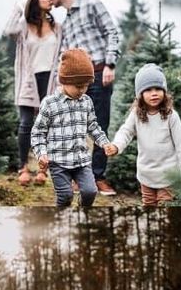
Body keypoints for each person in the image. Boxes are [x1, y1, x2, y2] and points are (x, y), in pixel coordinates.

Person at [51, 0, 121, 193]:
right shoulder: (66, 22)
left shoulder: (92, 5)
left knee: (100, 125)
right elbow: (65, 56)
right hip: (75, 83)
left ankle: (98, 177)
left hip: (100, 73)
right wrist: (59, 79)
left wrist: (110, 63)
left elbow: (112, 33)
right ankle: (76, 178)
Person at [31, 48, 117, 210]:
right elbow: (38, 132)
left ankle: (82, 215)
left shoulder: (86, 102)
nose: (82, 90)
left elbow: (93, 126)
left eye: (86, 86)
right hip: (58, 161)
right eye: (78, 86)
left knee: (90, 192)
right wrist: (41, 153)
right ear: (63, 81)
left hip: (81, 161)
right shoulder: (50, 103)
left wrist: (105, 143)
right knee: (65, 195)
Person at [3, 0, 63, 186]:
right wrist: (21, 6)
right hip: (29, 79)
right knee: (26, 124)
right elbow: (8, 30)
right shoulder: (24, 26)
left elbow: (62, 53)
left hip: (50, 81)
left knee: (46, 126)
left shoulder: (57, 27)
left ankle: (43, 169)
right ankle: (23, 167)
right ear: (35, 1)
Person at [110, 64, 181, 206]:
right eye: (148, 90)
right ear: (140, 94)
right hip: (146, 175)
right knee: (148, 205)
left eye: (158, 89)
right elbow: (126, 131)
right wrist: (116, 146)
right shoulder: (136, 114)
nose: (154, 93)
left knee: (164, 206)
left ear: (164, 91)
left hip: (168, 176)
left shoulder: (171, 116)